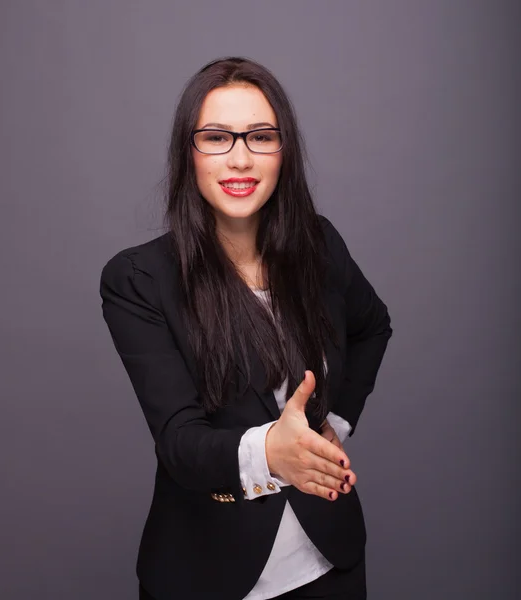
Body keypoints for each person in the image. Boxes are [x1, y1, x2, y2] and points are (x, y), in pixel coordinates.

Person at [100, 56, 393, 600]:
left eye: (260, 136)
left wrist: (334, 426)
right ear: (189, 153)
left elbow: (373, 327)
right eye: (216, 137)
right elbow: (180, 444)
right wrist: (271, 453)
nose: (240, 158)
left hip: (331, 562)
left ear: (285, 151)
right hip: (207, 573)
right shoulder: (139, 278)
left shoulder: (320, 246)